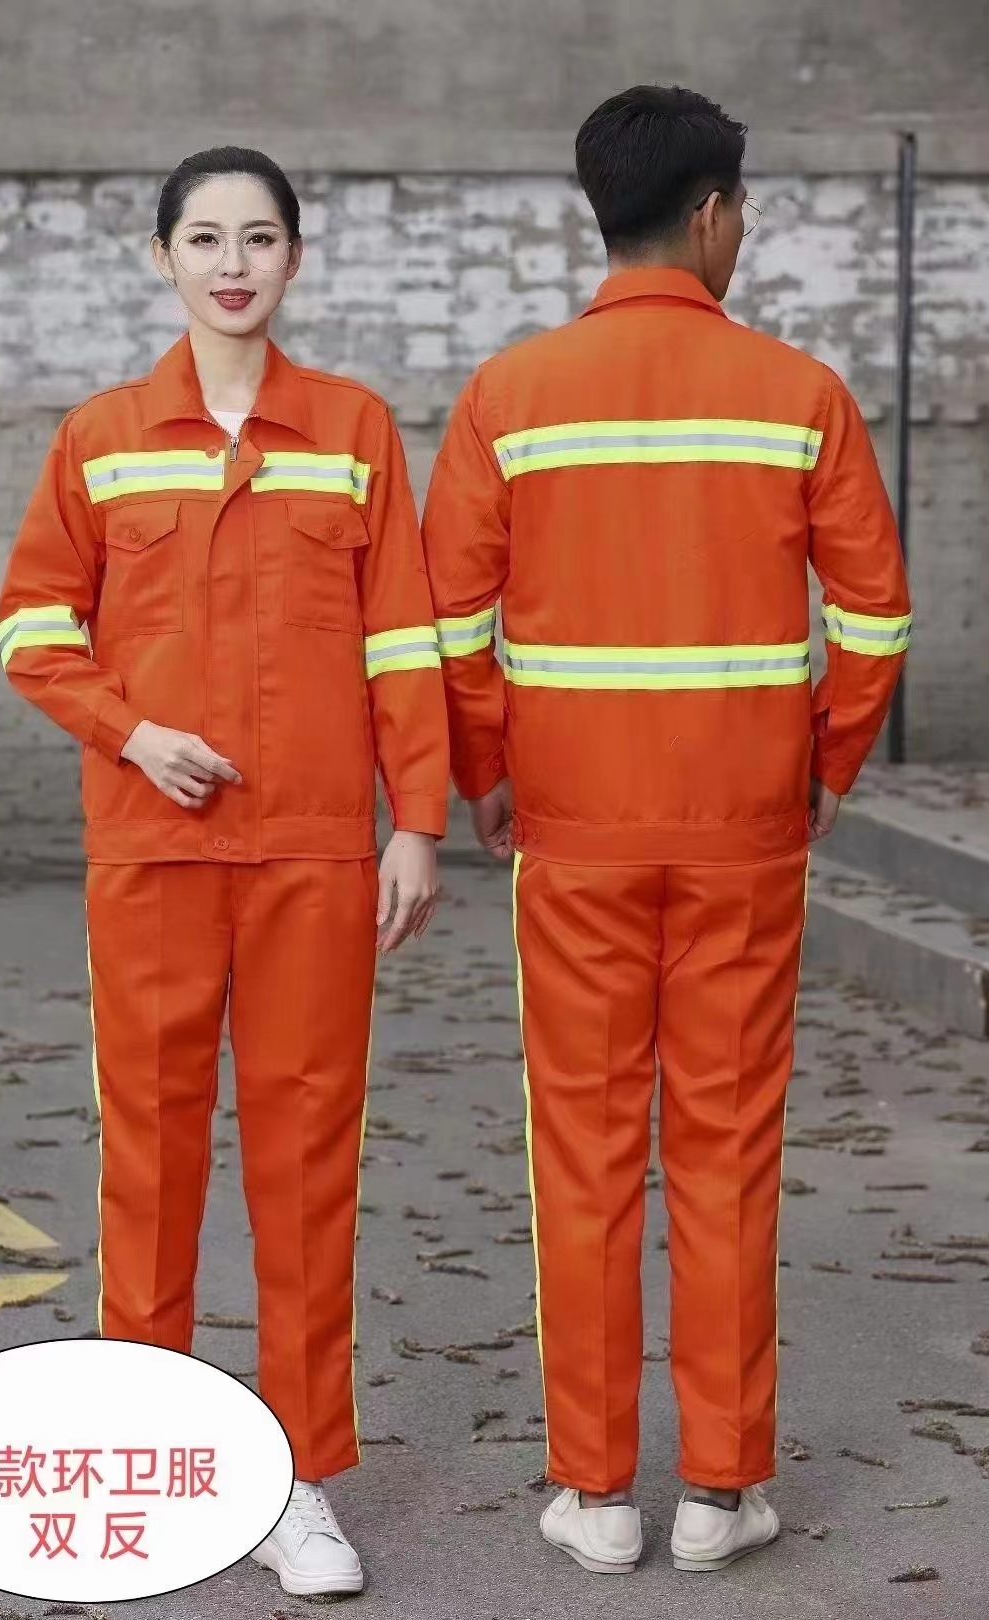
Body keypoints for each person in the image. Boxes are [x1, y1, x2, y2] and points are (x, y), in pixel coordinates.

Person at [421, 86, 910, 1575]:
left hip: (572, 832)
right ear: (707, 214)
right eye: (741, 209)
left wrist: (487, 769)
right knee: (726, 1148)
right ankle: (718, 1490)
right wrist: (824, 764)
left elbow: (451, 618)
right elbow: (875, 617)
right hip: (745, 832)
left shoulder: (509, 397)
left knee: (580, 1152)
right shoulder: (799, 394)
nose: (741, 230)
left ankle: (594, 1493)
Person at [0, 146, 449, 1600]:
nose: (232, 263)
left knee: (308, 1162)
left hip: (314, 848)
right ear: (163, 258)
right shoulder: (103, 437)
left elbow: (402, 636)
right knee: (151, 1153)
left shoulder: (353, 431)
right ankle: (160, 1458)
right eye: (205, 238)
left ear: (294, 259)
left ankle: (296, 1479)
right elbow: (32, 628)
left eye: (259, 238)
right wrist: (131, 733)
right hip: (153, 851)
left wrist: (417, 819)